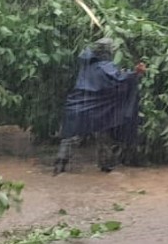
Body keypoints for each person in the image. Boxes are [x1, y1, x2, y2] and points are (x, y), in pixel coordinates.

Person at [54, 38, 146, 174]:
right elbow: (118, 79)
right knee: (103, 135)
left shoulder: (86, 65)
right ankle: (106, 167)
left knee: (72, 136)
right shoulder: (105, 66)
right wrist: (135, 73)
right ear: (107, 51)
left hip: (79, 106)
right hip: (99, 109)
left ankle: (59, 166)